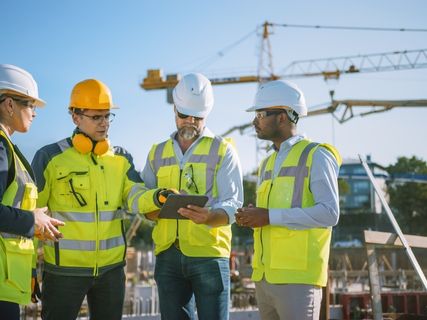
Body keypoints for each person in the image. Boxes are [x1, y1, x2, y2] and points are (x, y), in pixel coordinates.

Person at [31, 79, 163, 320]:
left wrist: (158, 197)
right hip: (64, 272)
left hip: (111, 271)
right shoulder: (50, 157)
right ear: (75, 117)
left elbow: (135, 197)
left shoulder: (121, 159)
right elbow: (31, 214)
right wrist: (30, 268)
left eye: (107, 116)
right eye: (96, 117)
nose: (104, 123)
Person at [235, 80, 342, 320]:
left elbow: (329, 213)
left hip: (298, 280)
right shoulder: (267, 163)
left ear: (282, 117)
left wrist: (268, 216)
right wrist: (253, 215)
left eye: (260, 114)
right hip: (264, 278)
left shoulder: (317, 155)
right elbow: (271, 213)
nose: (255, 121)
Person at [141, 73, 243, 320]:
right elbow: (142, 195)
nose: (190, 122)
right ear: (174, 110)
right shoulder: (157, 152)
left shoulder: (222, 150)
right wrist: (152, 206)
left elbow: (233, 202)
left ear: (206, 114)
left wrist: (211, 216)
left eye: (197, 117)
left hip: (209, 255)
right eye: (184, 115)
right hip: (168, 255)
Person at [0, 64, 64, 320]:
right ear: (9, 105)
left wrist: (34, 220)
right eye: (30, 105)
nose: (35, 113)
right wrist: (31, 219)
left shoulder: (7, 147)